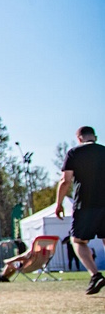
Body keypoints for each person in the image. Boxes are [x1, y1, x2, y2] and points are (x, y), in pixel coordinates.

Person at [55, 126, 105, 295]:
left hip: (85, 203)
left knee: (78, 241)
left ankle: (95, 275)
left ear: (79, 138)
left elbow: (66, 180)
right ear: (95, 137)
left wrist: (59, 203)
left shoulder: (74, 153)